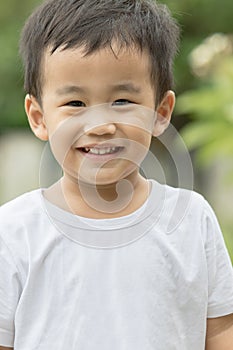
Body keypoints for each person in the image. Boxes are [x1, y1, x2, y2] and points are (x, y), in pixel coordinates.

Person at [0, 0, 233, 349]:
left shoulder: (190, 219)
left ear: (160, 112)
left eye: (123, 101)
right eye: (75, 104)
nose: (101, 126)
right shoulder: (14, 230)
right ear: (38, 117)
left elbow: (219, 329)